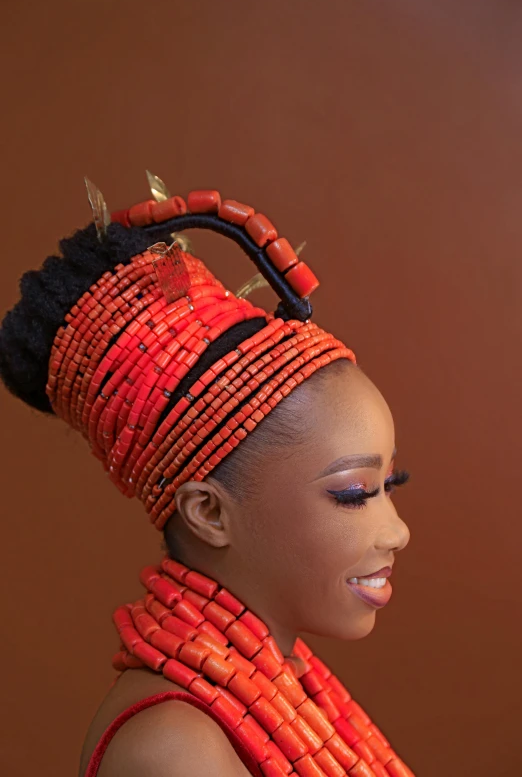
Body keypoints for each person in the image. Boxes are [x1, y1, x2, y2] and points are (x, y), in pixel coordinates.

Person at [0, 177, 413, 777]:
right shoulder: (175, 751)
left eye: (390, 488)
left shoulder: (282, 678)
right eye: (353, 494)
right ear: (209, 513)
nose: (396, 532)